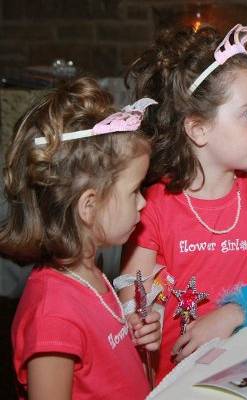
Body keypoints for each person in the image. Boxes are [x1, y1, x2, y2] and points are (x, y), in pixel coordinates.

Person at [122, 23, 247, 383]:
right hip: (175, 377)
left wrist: (230, 314)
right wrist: (139, 313)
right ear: (198, 129)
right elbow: (131, 285)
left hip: (244, 368)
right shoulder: (152, 204)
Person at [0, 78, 161, 399]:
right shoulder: (52, 315)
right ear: (89, 206)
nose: (143, 202)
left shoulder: (88, 270)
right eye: (134, 192)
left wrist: (129, 332)